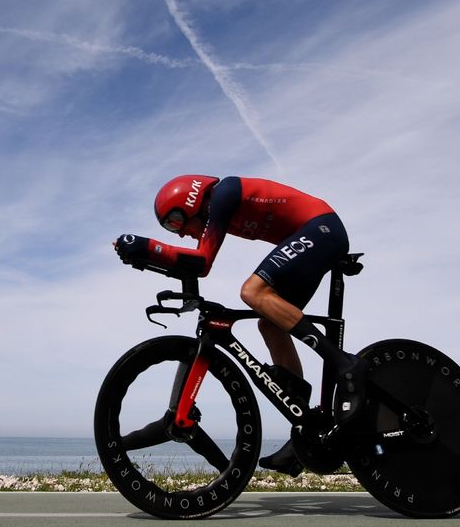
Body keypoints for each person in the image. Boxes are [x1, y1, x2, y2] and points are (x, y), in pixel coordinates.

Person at [112, 174, 364, 476]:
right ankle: (306, 425)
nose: (178, 235)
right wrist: (145, 259)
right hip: (314, 234)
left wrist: (148, 246)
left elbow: (202, 262)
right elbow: (194, 264)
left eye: (175, 223)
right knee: (270, 325)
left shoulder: (225, 193)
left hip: (323, 229)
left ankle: (344, 363)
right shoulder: (221, 207)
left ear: (190, 203)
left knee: (253, 292)